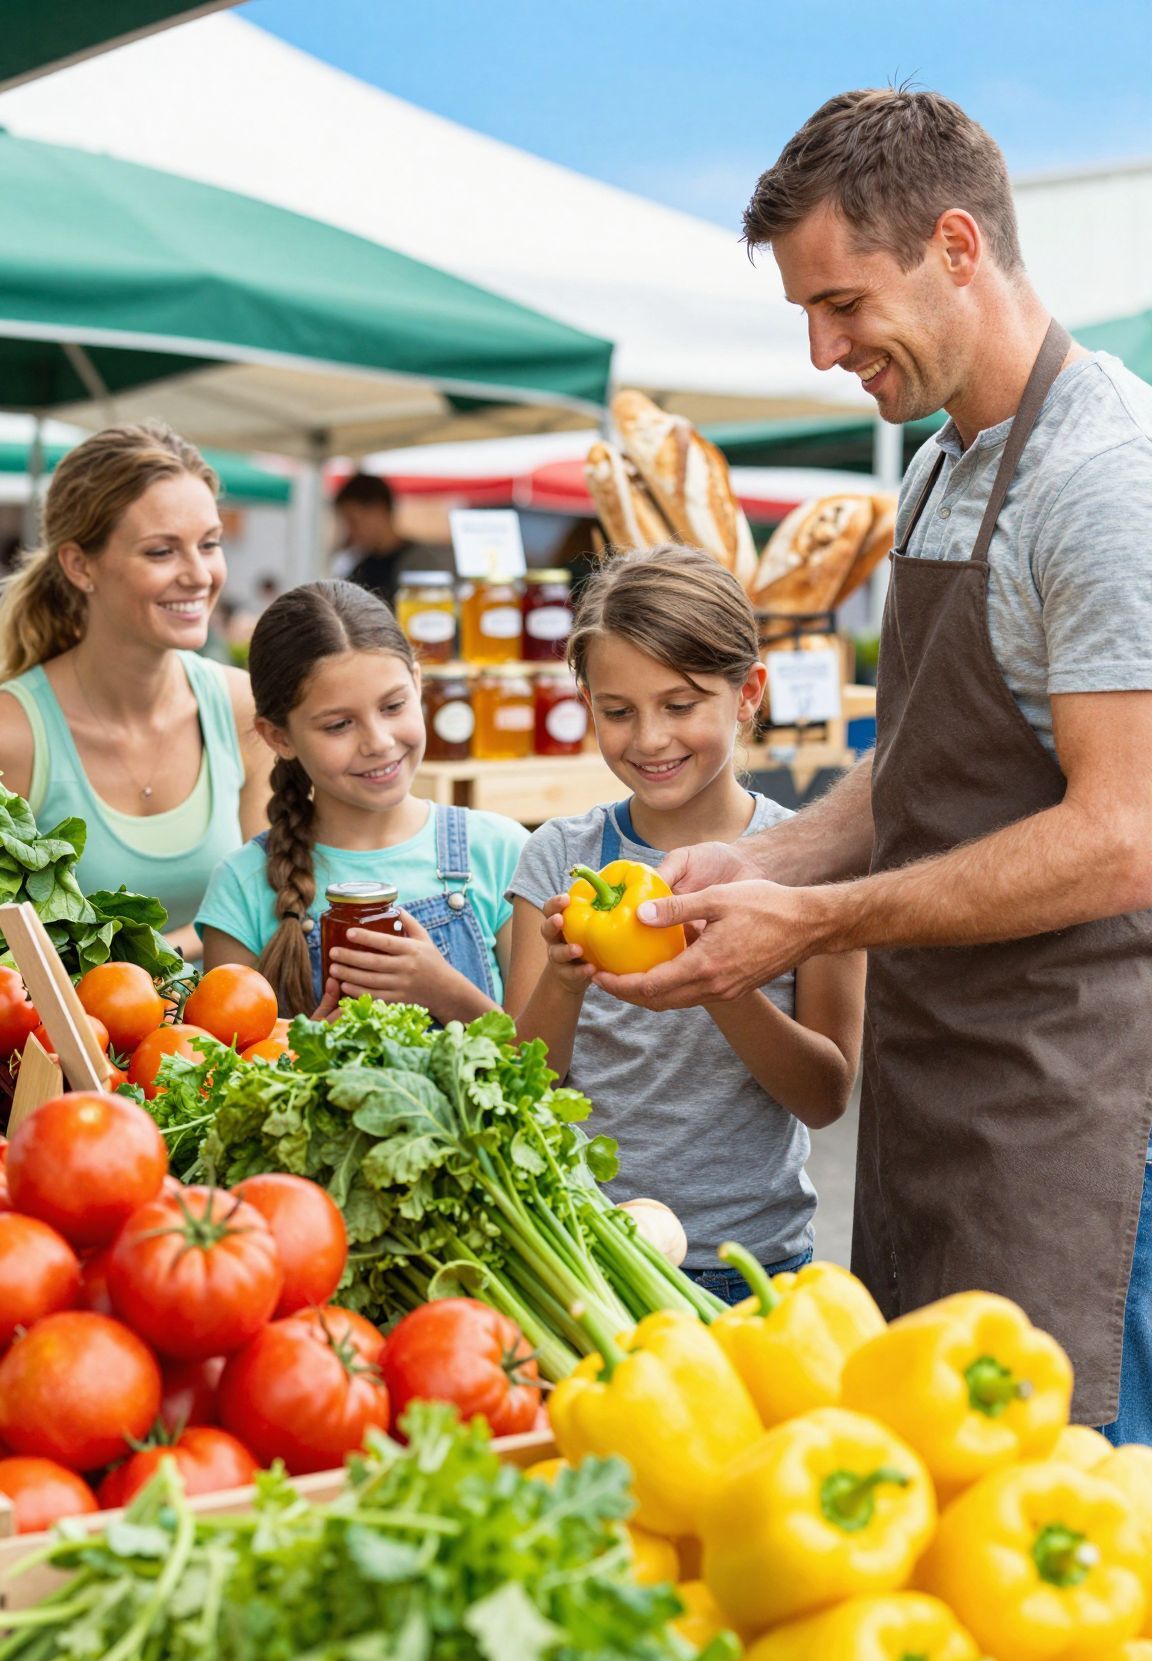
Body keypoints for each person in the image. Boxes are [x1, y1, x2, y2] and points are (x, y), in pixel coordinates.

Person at [594, 90, 1152, 1434]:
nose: (823, 346)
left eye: (842, 303)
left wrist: (818, 916)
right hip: (941, 1090)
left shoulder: (1104, 479)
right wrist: (759, 860)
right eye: (805, 311)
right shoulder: (944, 468)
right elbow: (912, 777)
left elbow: (1123, 832)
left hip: (1087, 1108)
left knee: (1084, 1527)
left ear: (957, 246)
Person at [503, 545, 865, 1303]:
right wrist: (565, 985)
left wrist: (721, 982)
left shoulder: (812, 866)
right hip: (583, 1257)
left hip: (752, 1268)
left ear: (747, 694)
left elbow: (826, 1095)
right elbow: (524, 1083)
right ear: (586, 702)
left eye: (681, 704)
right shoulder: (560, 860)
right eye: (618, 711)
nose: (650, 740)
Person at [197, 579, 527, 1020]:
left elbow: (543, 1067)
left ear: (416, 680)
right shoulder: (242, 888)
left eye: (392, 707)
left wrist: (444, 992)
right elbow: (227, 1073)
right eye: (338, 725)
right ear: (278, 737)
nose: (378, 742)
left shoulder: (500, 851)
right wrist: (311, 1049)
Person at [0, 422, 270, 957]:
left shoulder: (243, 708)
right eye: (161, 552)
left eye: (209, 544)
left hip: (238, 1035)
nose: (200, 575)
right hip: (70, 1037)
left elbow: (271, 904)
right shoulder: (15, 734)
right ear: (80, 566)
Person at [332, 473, 411, 607]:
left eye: (353, 521)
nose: (351, 530)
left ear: (378, 510)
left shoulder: (421, 562)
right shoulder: (360, 568)